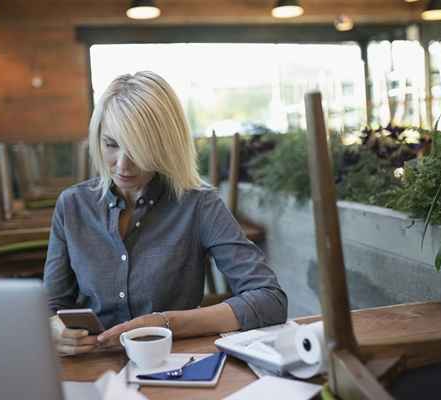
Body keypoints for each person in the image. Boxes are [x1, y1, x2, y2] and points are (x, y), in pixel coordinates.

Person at [44, 71, 287, 356]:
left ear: (164, 146)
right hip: (92, 364)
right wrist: (53, 328)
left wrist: (167, 323)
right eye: (111, 144)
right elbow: (51, 305)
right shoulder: (72, 205)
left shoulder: (198, 204)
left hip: (171, 361)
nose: (123, 165)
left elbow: (270, 300)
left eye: (138, 149)